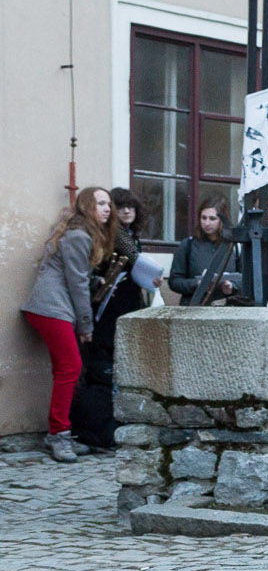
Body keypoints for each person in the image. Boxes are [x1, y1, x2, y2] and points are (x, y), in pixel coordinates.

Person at [22, 187, 115, 463]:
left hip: (52, 308)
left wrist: (94, 281)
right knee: (71, 367)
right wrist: (86, 325)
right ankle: (58, 434)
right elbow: (76, 285)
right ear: (87, 206)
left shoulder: (79, 233)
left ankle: (59, 431)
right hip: (51, 309)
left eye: (108, 203)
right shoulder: (78, 236)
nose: (107, 209)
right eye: (100, 203)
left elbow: (76, 276)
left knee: (64, 369)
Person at [77, 188, 153, 450]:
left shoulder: (126, 236)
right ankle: (97, 431)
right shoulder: (115, 236)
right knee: (102, 370)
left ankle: (108, 429)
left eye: (130, 207)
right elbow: (134, 260)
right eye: (120, 207)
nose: (126, 211)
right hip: (107, 311)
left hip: (126, 307)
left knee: (115, 371)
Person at [167, 197, 239, 303]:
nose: (207, 223)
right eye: (203, 218)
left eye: (212, 218)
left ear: (222, 220)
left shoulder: (234, 246)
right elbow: (174, 281)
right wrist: (197, 284)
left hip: (225, 308)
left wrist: (232, 286)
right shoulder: (188, 245)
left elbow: (246, 279)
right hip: (194, 306)